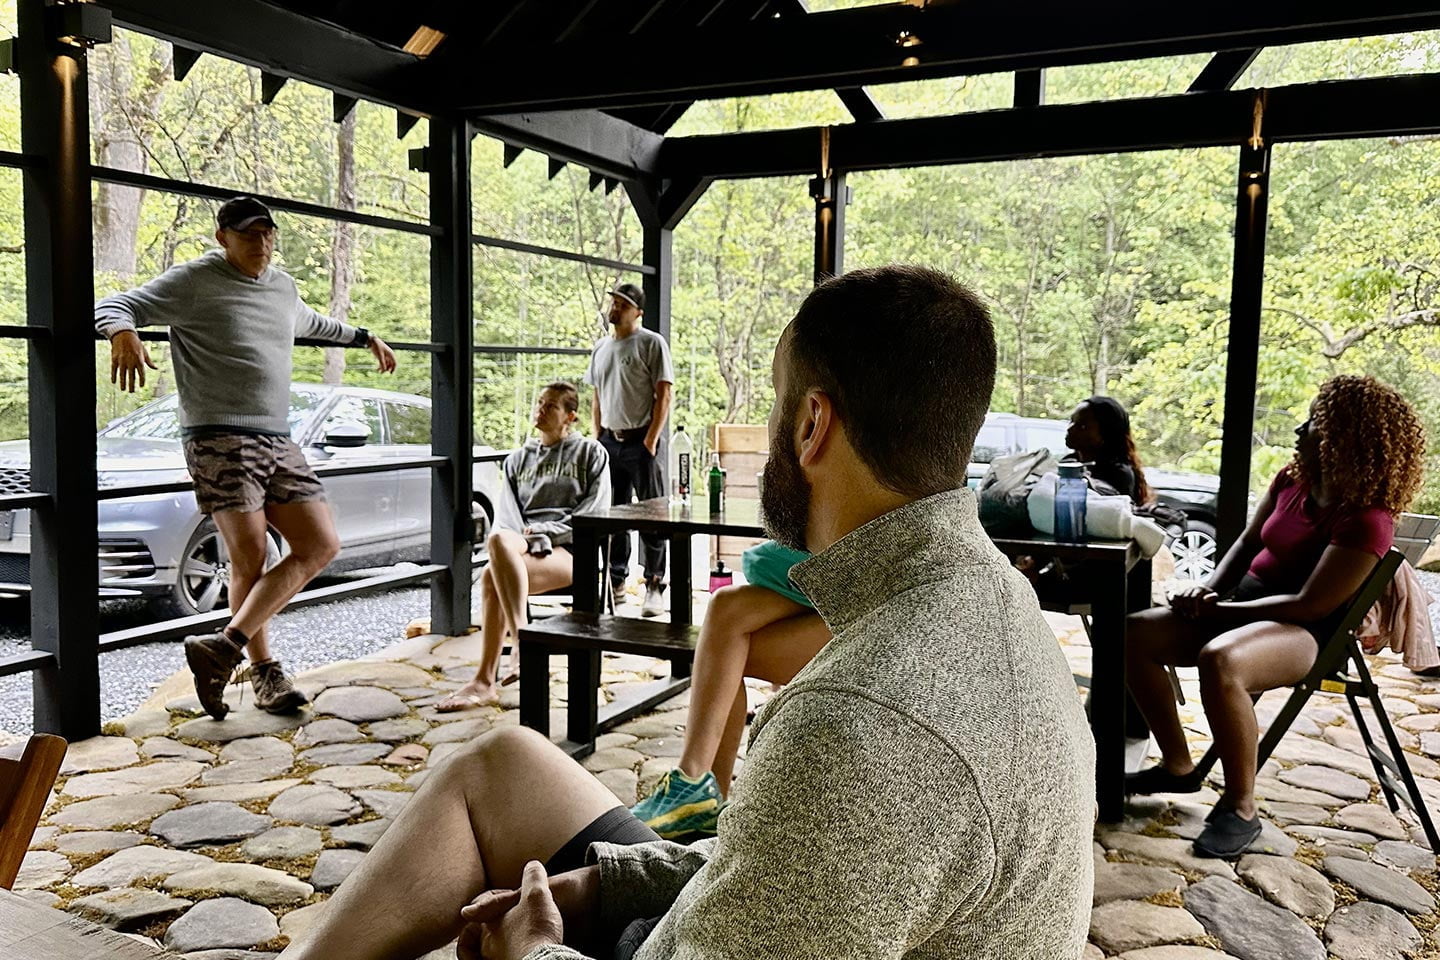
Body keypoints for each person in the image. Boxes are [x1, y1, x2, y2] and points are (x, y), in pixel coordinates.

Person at [279, 265, 1096, 960]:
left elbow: (835, 828)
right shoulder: (994, 597)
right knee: (503, 763)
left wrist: (534, 949)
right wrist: (603, 886)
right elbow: (793, 864)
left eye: (778, 405)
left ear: (812, 424)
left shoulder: (857, 723)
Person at [95, 196, 397, 719]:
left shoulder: (281, 286)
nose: (260, 243)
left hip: (278, 440)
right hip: (218, 440)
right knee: (251, 557)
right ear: (223, 237)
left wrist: (365, 337)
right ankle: (263, 673)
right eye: (247, 234)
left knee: (320, 544)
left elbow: (309, 323)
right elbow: (114, 303)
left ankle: (224, 647)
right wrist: (122, 333)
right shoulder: (194, 281)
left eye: (267, 234)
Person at [1124, 374, 1425, 858]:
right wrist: (1208, 588)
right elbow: (1246, 542)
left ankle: (1242, 808)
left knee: (1222, 660)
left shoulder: (1368, 519)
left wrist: (1221, 609)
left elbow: (1311, 605)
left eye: (1314, 422)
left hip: (1306, 631)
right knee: (1133, 633)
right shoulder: (1292, 479)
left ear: (1343, 438)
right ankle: (1178, 767)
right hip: (1245, 600)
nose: (1300, 430)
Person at [628, 539, 830, 837]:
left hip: (889, 611)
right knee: (727, 608)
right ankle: (703, 797)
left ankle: (696, 793)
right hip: (851, 588)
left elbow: (766, 560)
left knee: (725, 650)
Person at [437, 382, 610, 711]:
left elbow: (593, 514)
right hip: (522, 546)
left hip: (571, 551)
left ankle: (486, 678)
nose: (540, 410)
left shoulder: (591, 453)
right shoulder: (518, 459)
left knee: (490, 576)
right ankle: (519, 642)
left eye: (551, 407)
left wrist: (544, 531)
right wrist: (529, 538)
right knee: (499, 538)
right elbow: (507, 520)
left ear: (570, 416)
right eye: (540, 403)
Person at [585, 283, 674, 618]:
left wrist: (651, 440)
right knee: (615, 515)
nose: (615, 308)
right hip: (609, 441)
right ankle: (617, 582)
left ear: (637, 311)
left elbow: (663, 393)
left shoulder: (651, 343)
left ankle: (654, 584)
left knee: (652, 514)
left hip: (641, 441)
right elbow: (596, 394)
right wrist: (598, 436)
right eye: (614, 302)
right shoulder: (600, 348)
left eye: (623, 303)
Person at [1064, 395, 1152, 505]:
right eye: (1071, 421)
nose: (1070, 428)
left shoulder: (1117, 475)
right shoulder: (1070, 462)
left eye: (1082, 426)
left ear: (1106, 434)